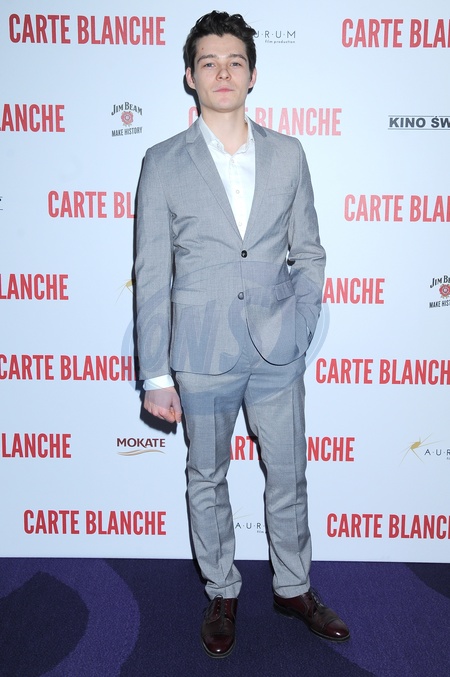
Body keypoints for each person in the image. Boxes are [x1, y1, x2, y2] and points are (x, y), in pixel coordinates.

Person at [135, 10, 349, 658]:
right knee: (207, 474)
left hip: (278, 347)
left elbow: (309, 252)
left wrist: (302, 324)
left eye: (234, 62)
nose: (222, 72)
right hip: (199, 354)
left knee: (289, 473)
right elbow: (152, 271)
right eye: (209, 62)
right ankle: (222, 590)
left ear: (252, 74)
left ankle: (293, 586)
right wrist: (155, 372)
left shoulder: (289, 154)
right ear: (190, 76)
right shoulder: (161, 162)